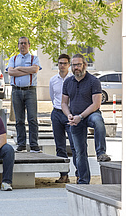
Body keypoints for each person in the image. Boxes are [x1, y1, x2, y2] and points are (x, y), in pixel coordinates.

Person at [62, 54, 111, 184]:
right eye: (73, 65)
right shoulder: (68, 82)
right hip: (75, 118)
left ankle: (101, 152)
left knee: (98, 121)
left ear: (85, 65)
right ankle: (83, 181)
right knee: (79, 152)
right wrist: (69, 115)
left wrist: (81, 116)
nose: (76, 67)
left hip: (90, 114)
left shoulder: (93, 81)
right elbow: (63, 103)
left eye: (78, 64)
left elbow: (96, 104)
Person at [7, 36, 42, 153]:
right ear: (18, 45)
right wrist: (27, 70)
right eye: (20, 43)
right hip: (16, 91)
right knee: (19, 120)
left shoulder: (34, 58)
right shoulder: (13, 58)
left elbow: (35, 70)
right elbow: (11, 72)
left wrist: (20, 68)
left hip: (30, 90)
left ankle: (34, 145)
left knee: (32, 119)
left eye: (25, 43)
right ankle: (21, 144)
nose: (23, 45)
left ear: (29, 45)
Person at [49, 54, 77, 183]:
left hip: (70, 115)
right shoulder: (53, 80)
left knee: (75, 145)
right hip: (56, 114)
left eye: (65, 63)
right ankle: (64, 175)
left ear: (69, 65)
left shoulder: (74, 79)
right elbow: (52, 96)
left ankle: (79, 174)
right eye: (60, 63)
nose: (62, 65)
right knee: (60, 146)